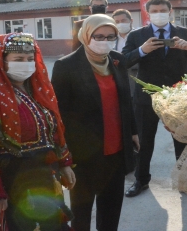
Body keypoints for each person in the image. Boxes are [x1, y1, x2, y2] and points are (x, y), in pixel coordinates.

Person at [0, 33, 76, 231]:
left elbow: (54, 131)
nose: (26, 64)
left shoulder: (38, 90)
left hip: (45, 177)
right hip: (11, 180)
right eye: (18, 59)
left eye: (30, 59)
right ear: (2, 61)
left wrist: (65, 163)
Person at [52, 15, 139, 231]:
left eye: (110, 36)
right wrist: (62, 152)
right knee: (81, 212)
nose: (105, 41)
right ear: (86, 36)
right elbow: (57, 113)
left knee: (111, 210)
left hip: (116, 151)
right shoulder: (66, 65)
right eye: (98, 36)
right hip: (84, 154)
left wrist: (133, 132)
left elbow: (126, 101)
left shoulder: (117, 60)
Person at [122, 0, 187, 198]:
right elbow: (123, 61)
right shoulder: (136, 36)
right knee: (144, 142)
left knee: (182, 141)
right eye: (154, 10)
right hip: (146, 98)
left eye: (162, 10)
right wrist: (142, 51)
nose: (158, 14)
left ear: (170, 12)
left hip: (178, 96)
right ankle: (141, 180)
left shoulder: (185, 33)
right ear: (148, 13)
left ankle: (185, 181)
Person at [112, 9, 139, 96]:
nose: (120, 23)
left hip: (136, 79)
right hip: (117, 80)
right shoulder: (111, 39)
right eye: (117, 21)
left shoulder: (139, 37)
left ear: (131, 21)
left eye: (123, 20)